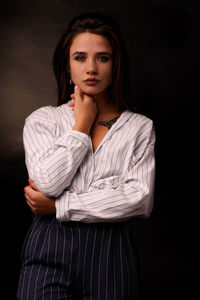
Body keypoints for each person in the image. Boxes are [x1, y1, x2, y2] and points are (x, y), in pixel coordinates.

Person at [17, 11, 155, 300]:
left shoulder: (139, 127)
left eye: (102, 58)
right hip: (49, 249)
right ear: (67, 66)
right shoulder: (42, 121)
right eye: (80, 57)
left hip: (112, 254)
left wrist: (59, 206)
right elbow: (48, 183)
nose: (91, 68)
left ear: (116, 65)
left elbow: (138, 199)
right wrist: (81, 126)